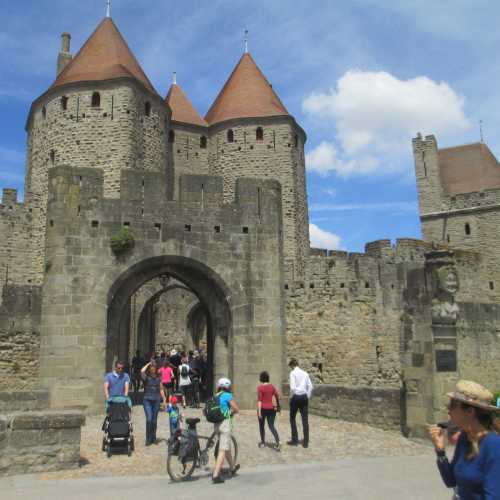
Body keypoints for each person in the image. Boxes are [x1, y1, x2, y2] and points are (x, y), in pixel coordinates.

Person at [429, 379, 500, 499]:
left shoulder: (494, 445)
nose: (448, 411)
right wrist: (440, 450)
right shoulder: (464, 438)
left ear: (470, 411)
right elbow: (451, 481)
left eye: (452, 405)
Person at [212, 377, 240, 484]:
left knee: (226, 446)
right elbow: (236, 409)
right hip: (225, 425)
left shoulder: (216, 396)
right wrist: (230, 412)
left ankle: (232, 468)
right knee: (222, 450)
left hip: (216, 425)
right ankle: (216, 475)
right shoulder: (227, 396)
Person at [287, 358, 313, 448]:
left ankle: (295, 440)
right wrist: (307, 396)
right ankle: (305, 442)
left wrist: (290, 398)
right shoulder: (305, 373)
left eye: (290, 367)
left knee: (292, 418)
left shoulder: (293, 373)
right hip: (304, 397)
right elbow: (310, 386)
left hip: (296, 397)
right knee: (305, 420)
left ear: (292, 365)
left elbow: (293, 388)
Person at [140, 361, 167, 446]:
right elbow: (142, 371)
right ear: (149, 368)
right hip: (147, 400)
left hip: (156, 400)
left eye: (154, 367)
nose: (152, 369)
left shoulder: (159, 378)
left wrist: (164, 399)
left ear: (156, 369)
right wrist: (148, 363)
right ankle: (148, 438)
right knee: (149, 419)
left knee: (154, 420)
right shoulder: (146, 377)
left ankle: (153, 437)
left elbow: (161, 389)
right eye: (151, 367)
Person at [257, 371, 281, 450]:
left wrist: (259, 412)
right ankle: (278, 442)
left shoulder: (260, 388)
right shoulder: (272, 387)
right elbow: (278, 396)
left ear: (261, 379)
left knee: (261, 426)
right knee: (271, 426)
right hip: (271, 409)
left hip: (263, 409)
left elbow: (259, 401)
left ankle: (263, 442)